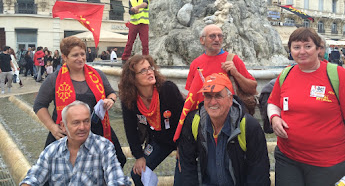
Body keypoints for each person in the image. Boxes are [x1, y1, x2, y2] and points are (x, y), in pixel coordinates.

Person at [268, 27, 345, 185]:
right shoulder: (286, 74)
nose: (302, 51)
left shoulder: (338, 75)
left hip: (327, 162)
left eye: (307, 46)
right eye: (296, 47)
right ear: (290, 50)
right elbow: (273, 102)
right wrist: (274, 118)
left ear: (318, 49)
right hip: (287, 157)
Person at [33, 36, 126, 168]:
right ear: (65, 57)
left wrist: (110, 100)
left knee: (115, 162)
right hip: (66, 134)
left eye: (82, 54)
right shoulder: (54, 79)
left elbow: (111, 93)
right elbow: (39, 105)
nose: (81, 58)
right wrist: (53, 127)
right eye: (75, 55)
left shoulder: (98, 74)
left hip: (97, 130)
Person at [179, 73, 270, 185]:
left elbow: (259, 175)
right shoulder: (193, 122)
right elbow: (187, 167)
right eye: (208, 96)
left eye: (218, 96)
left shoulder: (249, 127)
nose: (212, 102)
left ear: (230, 99)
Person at [20, 101, 130, 186]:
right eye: (76, 123)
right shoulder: (52, 150)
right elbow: (33, 177)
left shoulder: (104, 147)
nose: (82, 127)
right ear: (63, 126)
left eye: (86, 121)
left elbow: (116, 179)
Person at [119, 54, 184, 185]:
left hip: (181, 139)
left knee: (181, 180)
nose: (149, 72)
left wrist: (183, 149)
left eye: (150, 68)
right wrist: (139, 156)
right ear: (133, 78)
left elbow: (184, 120)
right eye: (143, 70)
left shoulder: (167, 89)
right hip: (159, 140)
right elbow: (130, 130)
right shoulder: (129, 100)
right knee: (137, 174)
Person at [121, 0, 150, 64]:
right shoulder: (131, 1)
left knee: (145, 43)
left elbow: (145, 4)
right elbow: (130, 12)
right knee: (130, 42)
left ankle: (146, 58)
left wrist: (136, 7)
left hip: (143, 23)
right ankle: (125, 58)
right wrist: (133, 10)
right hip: (133, 23)